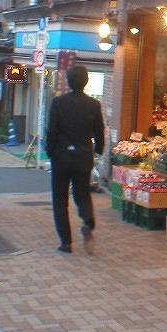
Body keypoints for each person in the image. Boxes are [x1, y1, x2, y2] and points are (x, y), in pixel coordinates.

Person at [46, 65, 105, 254]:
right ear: (86, 81)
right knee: (82, 195)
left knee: (60, 199)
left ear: (68, 81)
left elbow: (52, 131)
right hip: (83, 156)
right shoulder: (94, 105)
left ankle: (66, 242)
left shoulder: (58, 103)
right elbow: (100, 133)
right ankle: (88, 220)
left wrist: (50, 151)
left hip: (61, 157)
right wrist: (98, 151)